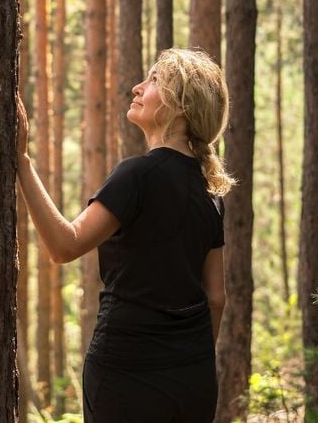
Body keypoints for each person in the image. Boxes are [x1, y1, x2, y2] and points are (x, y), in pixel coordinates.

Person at [16, 47, 231, 423]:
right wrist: (189, 359)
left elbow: (64, 246)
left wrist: (21, 160)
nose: (137, 87)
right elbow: (216, 297)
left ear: (179, 104)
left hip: (126, 372)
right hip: (193, 378)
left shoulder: (137, 175)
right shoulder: (210, 193)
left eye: (153, 80)